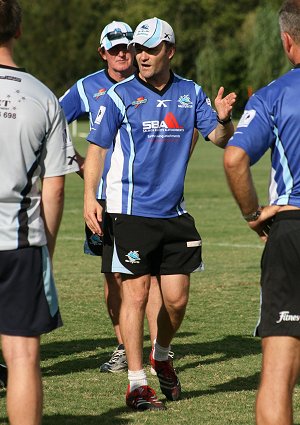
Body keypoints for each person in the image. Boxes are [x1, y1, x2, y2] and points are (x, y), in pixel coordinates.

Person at [84, 17, 236, 411]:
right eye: (138, 48)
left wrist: (222, 119)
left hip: (174, 213)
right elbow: (97, 149)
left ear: (169, 49)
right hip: (130, 212)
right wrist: (90, 198)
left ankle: (161, 354)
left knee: (177, 300)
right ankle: (137, 385)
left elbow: (220, 139)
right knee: (135, 294)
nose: (141, 56)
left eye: (151, 49)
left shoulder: (191, 93)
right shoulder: (120, 95)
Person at [60, 20, 197, 373]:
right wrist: (76, 166)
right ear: (103, 51)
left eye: (129, 46)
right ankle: (124, 347)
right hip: (107, 200)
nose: (125, 53)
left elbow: (192, 130)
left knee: (150, 280)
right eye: (118, 48)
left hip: (149, 204)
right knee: (115, 278)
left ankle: (154, 349)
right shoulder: (88, 87)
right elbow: (53, 122)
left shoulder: (170, 90)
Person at [0, 1, 79, 424]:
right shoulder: (43, 97)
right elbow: (56, 187)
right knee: (23, 356)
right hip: (20, 245)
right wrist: (44, 246)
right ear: (19, 31)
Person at [223, 2, 300, 424]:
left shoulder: (273, 94)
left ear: (288, 41)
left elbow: (235, 158)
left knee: (279, 370)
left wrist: (254, 213)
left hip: (292, 230)